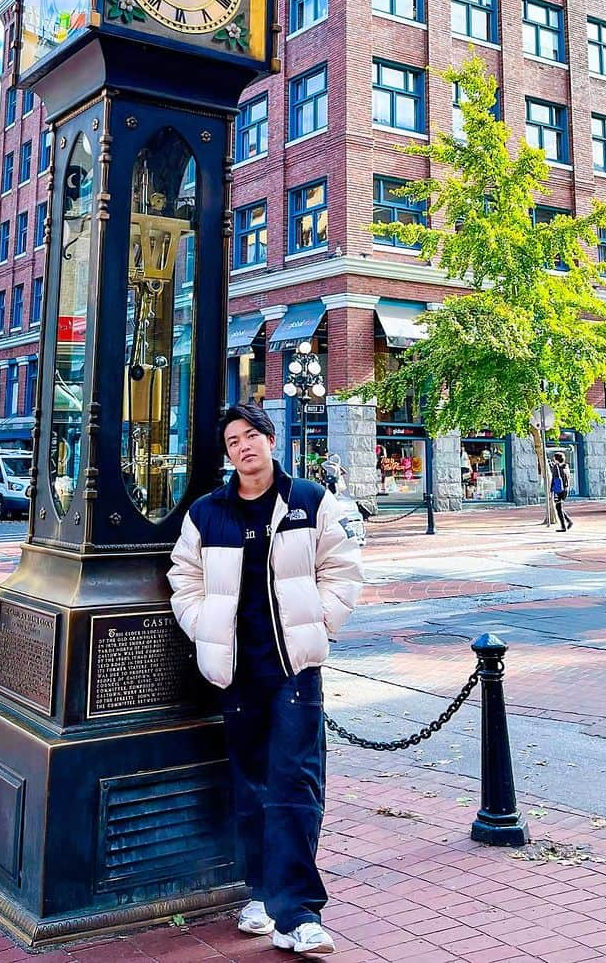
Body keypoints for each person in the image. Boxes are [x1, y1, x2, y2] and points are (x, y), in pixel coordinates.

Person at [169, 402, 364, 956]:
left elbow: (343, 569)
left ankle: (298, 912)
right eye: (233, 440)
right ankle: (259, 892)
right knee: (251, 785)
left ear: (270, 440)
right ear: (227, 453)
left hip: (293, 671)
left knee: (295, 786)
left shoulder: (309, 502)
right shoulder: (209, 512)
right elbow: (183, 577)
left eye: (252, 435)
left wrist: (320, 624)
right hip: (236, 673)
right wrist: (201, 621)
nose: (244, 446)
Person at [549, 451, 572, 531]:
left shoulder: (557, 468)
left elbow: (554, 480)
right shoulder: (566, 467)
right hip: (565, 489)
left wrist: (551, 491)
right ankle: (568, 521)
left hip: (559, 490)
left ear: (557, 459)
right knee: (559, 507)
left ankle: (563, 526)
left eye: (554, 459)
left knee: (558, 508)